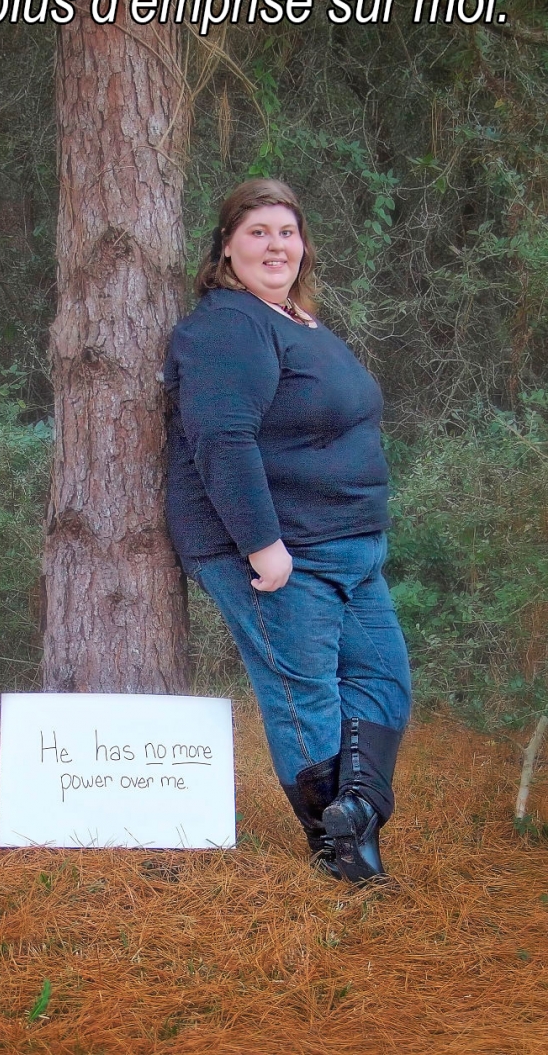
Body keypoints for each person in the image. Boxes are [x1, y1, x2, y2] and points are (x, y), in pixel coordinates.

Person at [163, 178, 412, 884]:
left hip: (351, 548)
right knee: (306, 697)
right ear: (226, 247)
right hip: (281, 550)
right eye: (258, 232)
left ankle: (355, 812)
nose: (276, 245)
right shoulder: (227, 325)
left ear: (303, 245)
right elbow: (222, 437)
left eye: (287, 232)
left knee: (383, 679)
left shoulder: (298, 323)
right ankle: (339, 854)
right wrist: (262, 547)